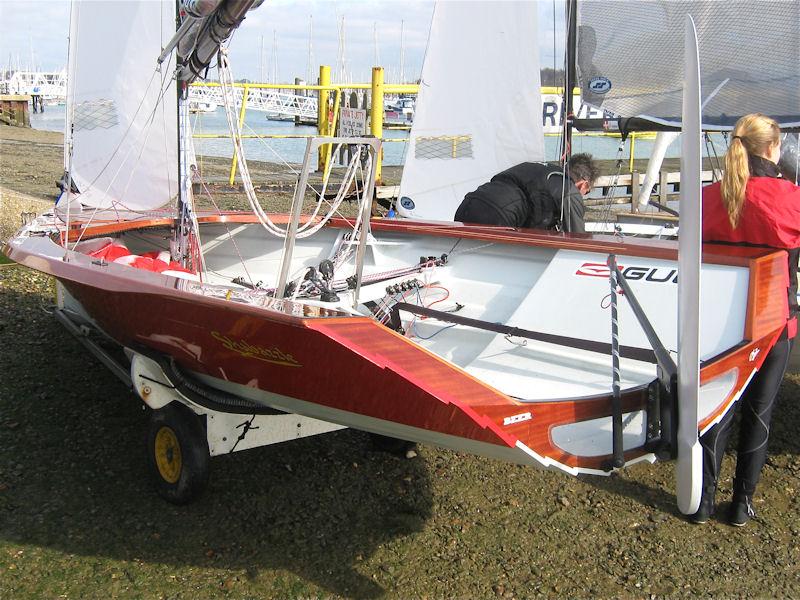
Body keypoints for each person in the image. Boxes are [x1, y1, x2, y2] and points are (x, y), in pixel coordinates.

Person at [693, 113, 800, 526]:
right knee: (760, 411)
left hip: (719, 322)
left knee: (719, 406)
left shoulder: (707, 197)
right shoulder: (790, 198)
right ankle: (741, 504)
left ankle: (702, 502)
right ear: (773, 149)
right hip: (773, 321)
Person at [454, 153, 599, 233]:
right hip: (498, 217)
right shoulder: (569, 190)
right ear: (583, 184)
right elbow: (577, 239)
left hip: (468, 204)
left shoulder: (537, 168)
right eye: (586, 192)